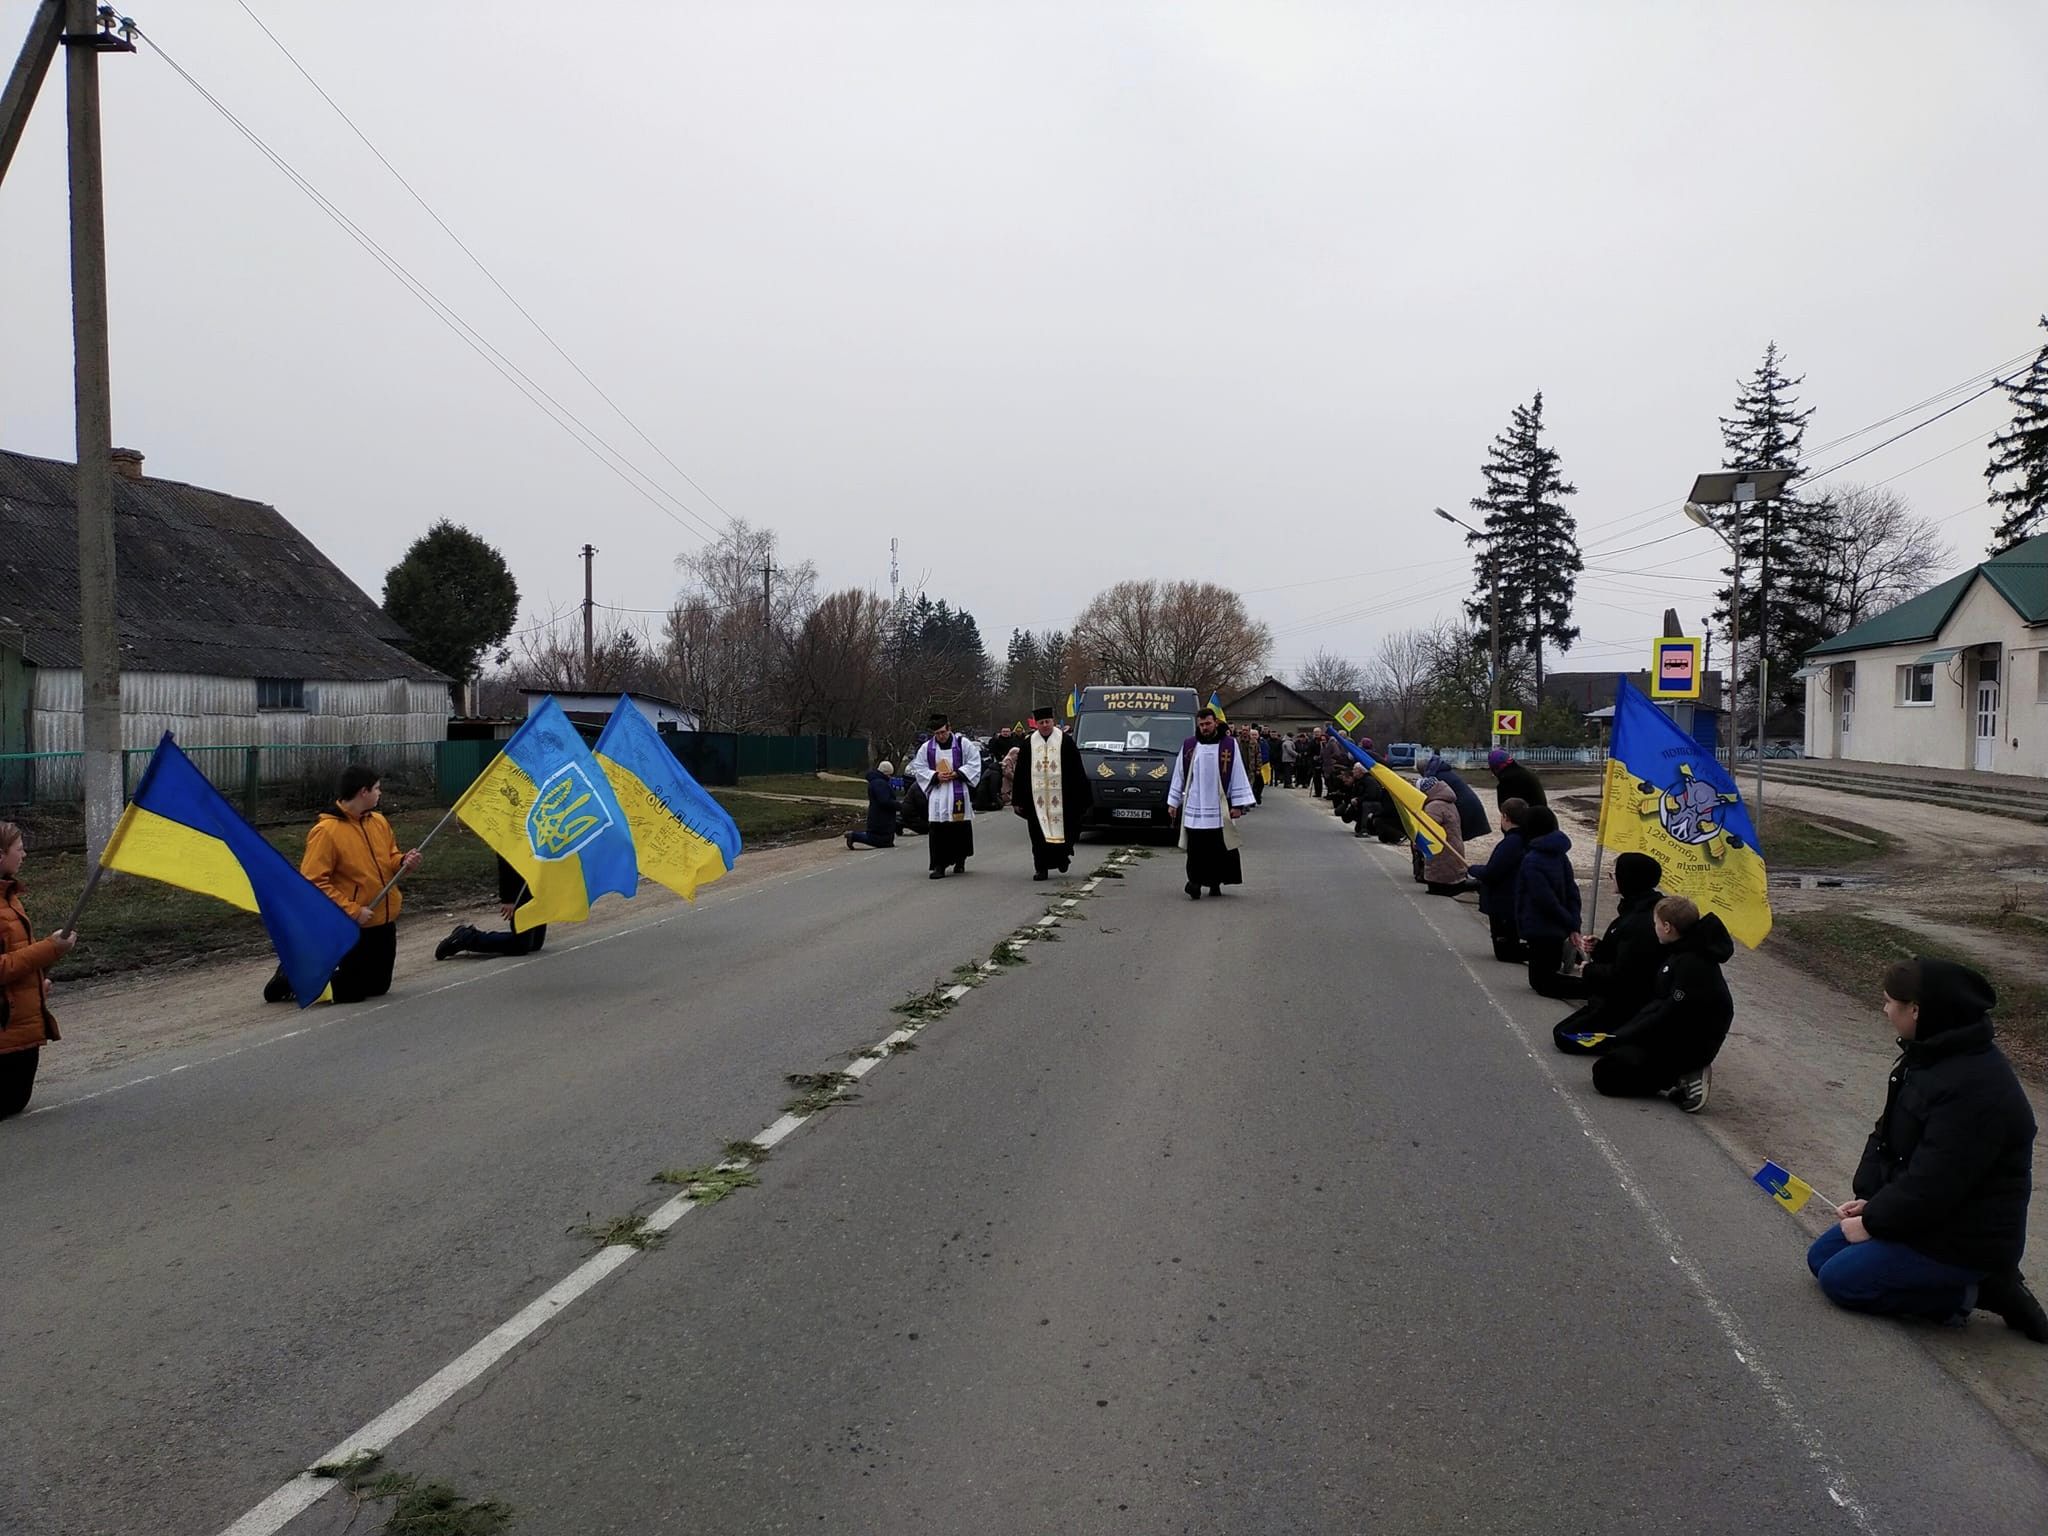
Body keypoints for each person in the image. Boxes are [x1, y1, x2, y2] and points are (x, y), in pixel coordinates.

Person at [1807, 958, 2048, 1341]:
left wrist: (1873, 1223)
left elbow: (1936, 1183)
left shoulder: (1977, 1091)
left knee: (1842, 1282)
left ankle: (1975, 1290)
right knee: (1820, 1259)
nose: (1884, 1009)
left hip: (1964, 1238)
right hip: (1929, 1216)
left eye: (1890, 1002)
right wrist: (1870, 1199)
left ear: (1916, 1010)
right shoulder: (1928, 1056)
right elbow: (1889, 1138)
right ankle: (1949, 1280)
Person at [267, 764, 422, 1004]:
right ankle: (291, 979)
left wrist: (404, 861)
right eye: (377, 788)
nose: (380, 793)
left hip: (382, 918)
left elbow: (389, 857)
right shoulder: (326, 831)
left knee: (379, 987)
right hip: (353, 922)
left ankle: (315, 975)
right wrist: (352, 911)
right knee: (354, 991)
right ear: (363, 791)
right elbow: (313, 881)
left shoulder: (378, 822)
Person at [1582, 895, 1732, 1110]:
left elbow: (1670, 1013)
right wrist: (1624, 1033)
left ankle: (1688, 1073)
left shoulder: (1692, 964)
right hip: (1673, 1031)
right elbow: (1661, 1003)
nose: (1654, 928)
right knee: (1610, 1061)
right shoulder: (1681, 949)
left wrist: (1627, 1034)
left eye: (1656, 924)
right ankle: (1672, 1072)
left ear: (1668, 927)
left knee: (1606, 1077)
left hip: (1691, 1041)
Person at [0, 821, 78, 1119]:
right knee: (11, 1104)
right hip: (6, 1032)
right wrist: (50, 947)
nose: (25, 855)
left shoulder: (9, 896)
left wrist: (36, 982)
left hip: (20, 1028)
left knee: (16, 1102)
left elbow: (17, 958)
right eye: (19, 849)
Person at [1551, 852, 1666, 1050]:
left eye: (1614, 874)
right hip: (1617, 995)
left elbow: (1625, 974)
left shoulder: (1640, 920)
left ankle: (1625, 1039)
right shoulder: (1637, 908)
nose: (1610, 878)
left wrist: (1588, 971)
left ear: (1628, 879)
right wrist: (1600, 948)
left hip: (1627, 1000)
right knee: (1564, 1031)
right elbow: (1623, 955)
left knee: (1566, 1036)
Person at [1167, 706, 1255, 899]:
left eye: (1207, 724)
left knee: (1217, 850)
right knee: (1196, 850)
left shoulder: (1229, 745)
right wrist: (1173, 802)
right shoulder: (1190, 746)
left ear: (1216, 722)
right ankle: (1195, 883)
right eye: (1201, 725)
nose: (1204, 728)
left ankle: (1215, 884)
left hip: (1218, 807)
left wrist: (1237, 806)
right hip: (1195, 808)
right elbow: (1179, 774)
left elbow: (1237, 774)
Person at [1011, 706, 1091, 880]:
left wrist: (1083, 796)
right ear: (1036, 724)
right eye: (1041, 723)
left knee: (1064, 831)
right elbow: (1021, 773)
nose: (1045, 725)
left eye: (1047, 722)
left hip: (1064, 798)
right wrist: (1017, 799)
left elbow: (1077, 769)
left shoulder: (1065, 741)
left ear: (1053, 721)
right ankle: (1041, 868)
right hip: (1036, 799)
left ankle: (1062, 858)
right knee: (1037, 835)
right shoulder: (1029, 743)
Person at [1513, 805, 1581, 999]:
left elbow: (1545, 900)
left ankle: (1593, 990)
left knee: (1543, 983)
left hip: (1541, 926)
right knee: (1541, 980)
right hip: (1555, 927)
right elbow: (1572, 892)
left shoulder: (1532, 860)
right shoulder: (1560, 856)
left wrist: (1570, 923)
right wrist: (1573, 923)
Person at [909, 712, 982, 879]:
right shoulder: (927, 748)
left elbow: (974, 762)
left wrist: (958, 773)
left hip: (957, 792)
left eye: (943, 732)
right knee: (938, 829)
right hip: (939, 793)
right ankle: (939, 865)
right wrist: (935, 776)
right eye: (937, 734)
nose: (940, 736)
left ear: (949, 728)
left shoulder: (963, 744)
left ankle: (960, 860)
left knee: (959, 828)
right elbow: (919, 768)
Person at [435, 855, 547, 960]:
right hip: (519, 884)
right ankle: (465, 938)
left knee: (535, 944)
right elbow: (505, 857)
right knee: (520, 945)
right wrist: (508, 898)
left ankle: (470, 938)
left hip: (536, 883)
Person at [1467, 799, 1531, 961]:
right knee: (1508, 945)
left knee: (1506, 952)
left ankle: (1553, 954)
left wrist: (1473, 869)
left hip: (1503, 901)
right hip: (1512, 900)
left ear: (1506, 817)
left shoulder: (1511, 842)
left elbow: (1493, 872)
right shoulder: (1525, 839)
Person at [1420, 780, 1471, 896]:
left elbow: (1428, 831)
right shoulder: (1448, 803)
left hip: (1442, 852)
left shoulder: (1434, 806)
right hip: (1453, 847)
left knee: (1441, 887)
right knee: (1454, 880)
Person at [846, 760, 899, 850]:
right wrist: (898, 805)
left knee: (883, 840)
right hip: (881, 818)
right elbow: (884, 801)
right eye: (889, 774)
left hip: (879, 817)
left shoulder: (877, 782)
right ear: (885, 773)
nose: (890, 777)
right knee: (879, 840)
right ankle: (854, 836)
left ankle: (854, 836)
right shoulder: (879, 783)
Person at [1486, 747, 1547, 812]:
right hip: (1543, 817)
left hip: (1530, 819)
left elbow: (1506, 812)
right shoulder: (1525, 772)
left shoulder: (1507, 781)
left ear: (1495, 769)